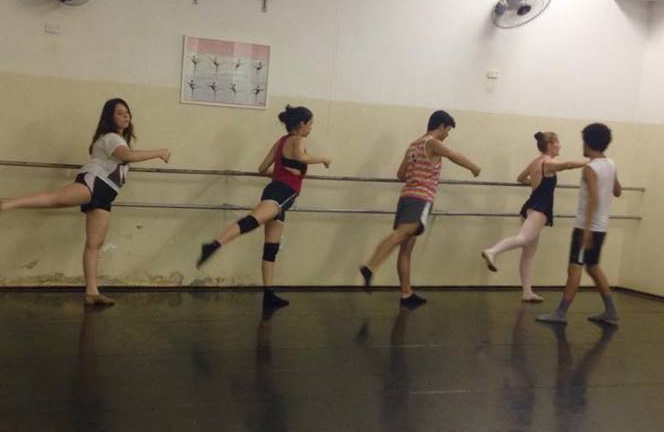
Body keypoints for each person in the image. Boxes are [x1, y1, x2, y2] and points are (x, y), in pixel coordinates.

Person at [0, 98, 170, 306]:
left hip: (106, 193)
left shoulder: (118, 139)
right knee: (57, 199)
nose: (125, 116)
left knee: (95, 244)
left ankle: (92, 292)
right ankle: (8, 204)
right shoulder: (111, 137)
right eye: (119, 113)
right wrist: (159, 152)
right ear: (109, 117)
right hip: (95, 182)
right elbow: (127, 156)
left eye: (127, 112)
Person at [196, 105, 330, 309]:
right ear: (302, 124)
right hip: (283, 193)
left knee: (271, 247)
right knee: (253, 221)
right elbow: (302, 158)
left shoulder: (281, 141)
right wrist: (324, 159)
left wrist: (281, 174)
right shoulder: (299, 140)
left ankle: (269, 295)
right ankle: (215, 244)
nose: (311, 128)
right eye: (310, 124)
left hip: (275, 190)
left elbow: (262, 169)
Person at [359, 110, 481, 309]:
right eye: (448, 130)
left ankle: (406, 293)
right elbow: (453, 155)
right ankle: (370, 266)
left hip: (406, 197)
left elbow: (401, 174)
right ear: (441, 126)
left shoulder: (414, 145)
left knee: (406, 249)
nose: (447, 134)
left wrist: (418, 173)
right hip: (420, 199)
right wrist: (474, 168)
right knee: (401, 235)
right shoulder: (432, 142)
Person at [480, 132, 588, 302]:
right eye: (558, 142)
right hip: (540, 209)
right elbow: (568, 165)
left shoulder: (535, 162)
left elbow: (520, 178)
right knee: (523, 239)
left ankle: (527, 292)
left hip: (530, 206)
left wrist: (535, 182)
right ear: (550, 145)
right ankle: (492, 251)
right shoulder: (548, 163)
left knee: (528, 253)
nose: (560, 145)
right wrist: (591, 161)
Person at [537, 123, 621, 325]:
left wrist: (587, 231)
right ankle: (611, 310)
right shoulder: (610, 164)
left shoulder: (590, 169)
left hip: (587, 227)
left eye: (583, 141)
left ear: (588, 143)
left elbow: (593, 200)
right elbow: (617, 191)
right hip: (601, 226)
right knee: (592, 267)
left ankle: (561, 313)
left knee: (575, 268)